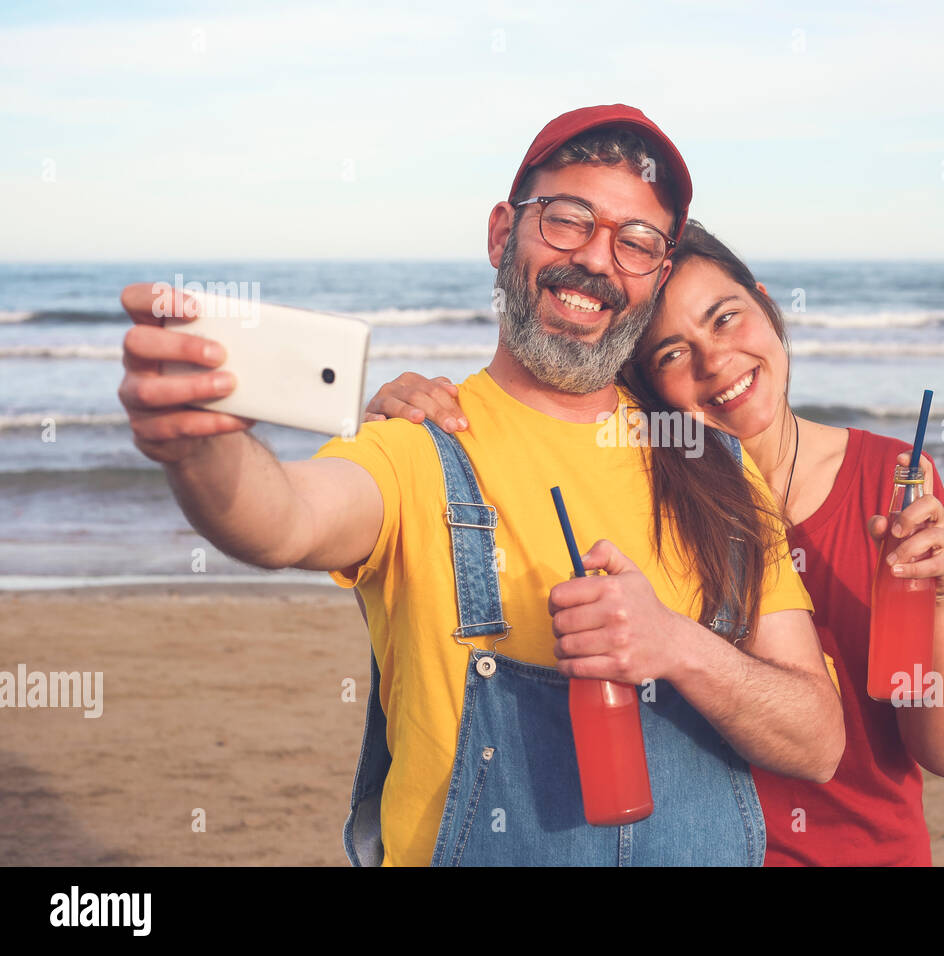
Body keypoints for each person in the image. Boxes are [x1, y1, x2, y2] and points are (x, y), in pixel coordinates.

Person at [114, 105, 844, 867]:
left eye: (635, 243)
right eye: (568, 220)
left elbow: (818, 740)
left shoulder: (715, 470)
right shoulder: (416, 446)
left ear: (656, 276)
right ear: (503, 233)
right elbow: (282, 523)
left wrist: (679, 649)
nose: (598, 260)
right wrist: (201, 444)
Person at [366, 220, 944, 866]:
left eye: (726, 318)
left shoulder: (890, 482)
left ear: (767, 306)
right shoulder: (635, 499)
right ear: (642, 386)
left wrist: (939, 601)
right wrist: (414, 425)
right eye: (671, 354)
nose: (715, 361)